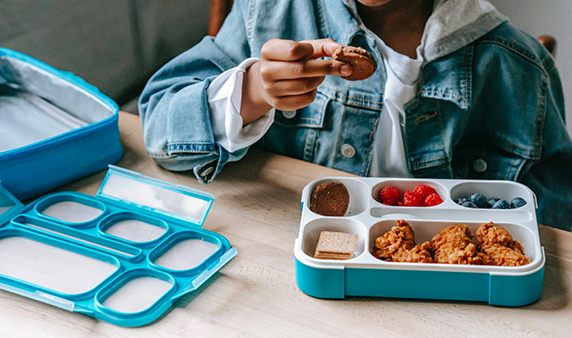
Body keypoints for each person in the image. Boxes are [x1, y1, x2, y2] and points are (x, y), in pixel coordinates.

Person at [138, 0, 572, 230]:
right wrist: (250, 91)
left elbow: (558, 230)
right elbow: (157, 128)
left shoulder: (518, 67)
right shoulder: (269, 13)